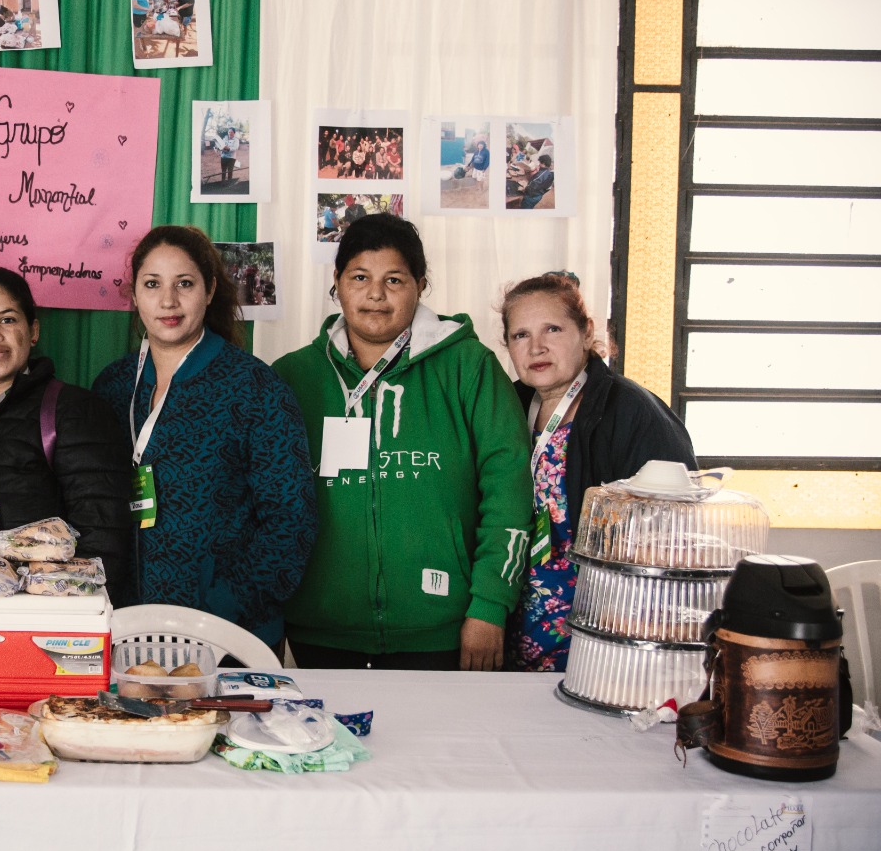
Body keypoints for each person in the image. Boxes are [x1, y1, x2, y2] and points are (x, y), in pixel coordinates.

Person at [274, 213, 531, 671]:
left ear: (420, 285)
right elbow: (266, 503)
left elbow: (508, 490)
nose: (375, 293)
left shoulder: (470, 367)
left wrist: (490, 605)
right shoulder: (292, 376)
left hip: (446, 629)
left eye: (394, 279)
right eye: (359, 277)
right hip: (320, 629)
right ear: (337, 283)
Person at [92, 226, 316, 651]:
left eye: (185, 284)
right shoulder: (113, 386)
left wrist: (222, 606)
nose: (168, 301)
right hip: (125, 629)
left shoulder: (256, 388)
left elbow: (291, 522)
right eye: (152, 284)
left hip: (227, 637)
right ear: (134, 293)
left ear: (210, 290)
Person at [501, 271, 697, 671]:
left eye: (552, 329)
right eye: (520, 335)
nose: (536, 346)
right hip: (517, 622)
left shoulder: (632, 410)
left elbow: (678, 525)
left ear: (586, 332)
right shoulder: (504, 408)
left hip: (605, 628)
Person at [0, 267, 137, 606]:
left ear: (33, 330)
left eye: (7, 320)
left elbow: (104, 538)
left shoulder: (72, 410)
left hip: (44, 613)